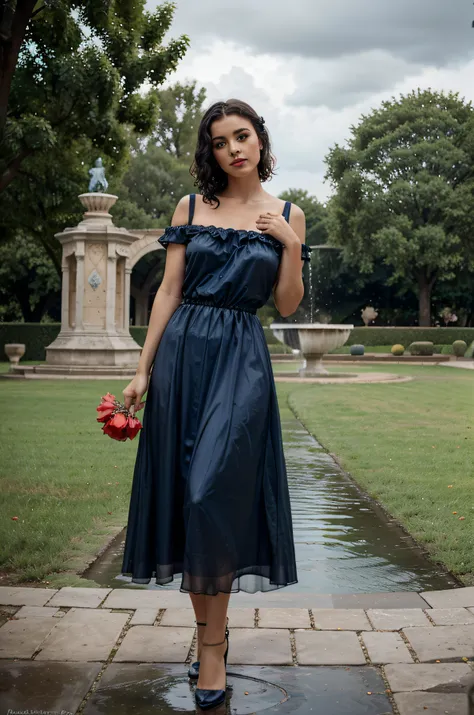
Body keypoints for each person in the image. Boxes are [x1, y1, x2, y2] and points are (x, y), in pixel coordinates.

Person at [120, 98, 312, 710]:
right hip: (181, 358)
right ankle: (210, 643)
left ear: (260, 140)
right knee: (188, 500)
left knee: (211, 495)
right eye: (222, 140)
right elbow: (169, 290)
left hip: (240, 360)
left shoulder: (288, 214)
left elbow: (285, 306)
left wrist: (290, 246)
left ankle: (210, 647)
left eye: (244, 135)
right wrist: (142, 369)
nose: (234, 148)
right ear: (212, 151)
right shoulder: (190, 207)